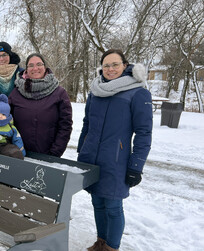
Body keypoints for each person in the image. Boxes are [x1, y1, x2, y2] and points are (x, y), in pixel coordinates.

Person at [77, 49, 152, 251]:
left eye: (115, 64)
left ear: (125, 65)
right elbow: (87, 123)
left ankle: (111, 247)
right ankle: (101, 242)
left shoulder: (138, 92)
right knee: (97, 203)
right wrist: (81, 150)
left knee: (113, 206)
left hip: (117, 161)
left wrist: (136, 166)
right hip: (91, 158)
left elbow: (144, 132)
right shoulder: (96, 90)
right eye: (106, 65)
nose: (110, 69)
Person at [8, 53, 72, 157]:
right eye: (31, 65)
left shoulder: (59, 93)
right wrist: (12, 149)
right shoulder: (16, 92)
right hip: (19, 155)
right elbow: (6, 122)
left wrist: (55, 153)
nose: (35, 68)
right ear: (26, 69)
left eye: (39, 64)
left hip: (47, 157)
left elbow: (65, 125)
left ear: (45, 67)